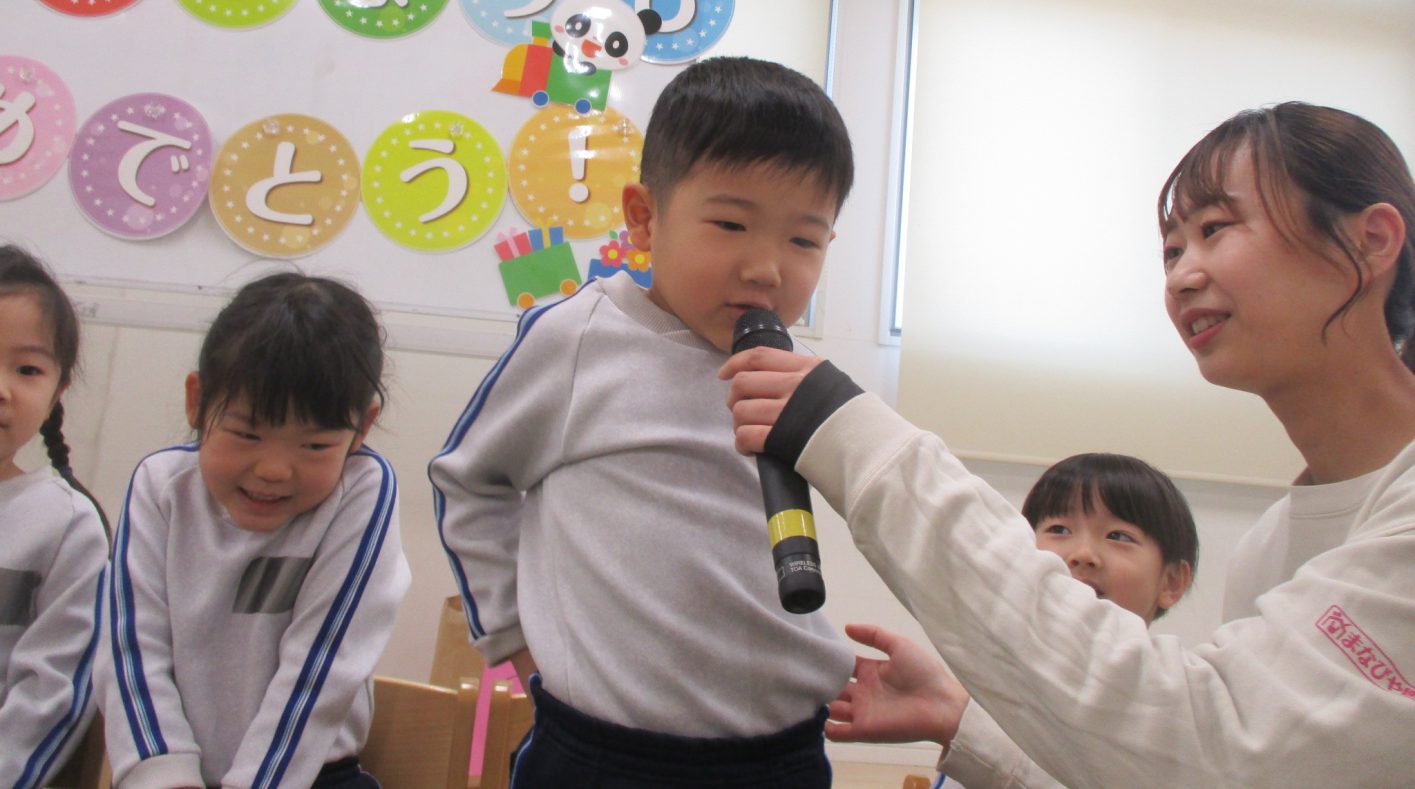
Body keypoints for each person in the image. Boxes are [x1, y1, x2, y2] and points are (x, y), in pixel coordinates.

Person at [721, 101, 1415, 786]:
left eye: (1215, 229)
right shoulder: (1272, 545)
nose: (1182, 276)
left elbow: (1218, 746)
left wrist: (861, 445)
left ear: (1371, 240)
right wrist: (964, 723)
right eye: (1172, 250)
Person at [430, 56, 858, 787]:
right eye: (730, 223)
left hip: (781, 752)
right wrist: (514, 642)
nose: (766, 268)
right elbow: (467, 482)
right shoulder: (578, 339)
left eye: (803, 240)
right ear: (643, 216)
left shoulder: (798, 373)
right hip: (602, 753)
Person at [97, 272, 411, 789]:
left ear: (363, 427)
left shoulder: (361, 492)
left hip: (307, 776)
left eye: (314, 446)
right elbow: (132, 648)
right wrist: (162, 775)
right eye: (246, 434)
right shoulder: (160, 486)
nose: (273, 470)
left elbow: (321, 666)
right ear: (197, 401)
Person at [831, 453, 1199, 788]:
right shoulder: (993, 693)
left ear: (1171, 582)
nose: (1083, 554)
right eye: (1059, 529)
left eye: (1119, 536)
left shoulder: (1173, 718)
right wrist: (950, 713)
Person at [0, 244, 110, 789]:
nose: (2, 390)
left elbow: (52, 694)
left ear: (56, 390)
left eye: (27, 369)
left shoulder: (66, 525)